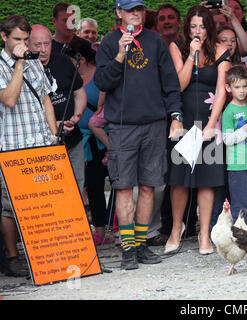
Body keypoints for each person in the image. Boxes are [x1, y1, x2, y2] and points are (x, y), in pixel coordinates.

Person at [94, 0, 183, 270]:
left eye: (140, 9)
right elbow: (102, 82)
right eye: (131, 10)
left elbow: (170, 83)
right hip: (123, 126)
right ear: (119, 13)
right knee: (123, 187)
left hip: (154, 123)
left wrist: (175, 117)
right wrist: (121, 54)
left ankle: (141, 243)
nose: (136, 14)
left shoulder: (155, 41)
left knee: (148, 185)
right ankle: (128, 249)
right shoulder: (109, 43)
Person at [166, 5, 231, 255]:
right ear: (187, 27)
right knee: (179, 180)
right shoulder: (177, 47)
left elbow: (222, 90)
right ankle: (176, 228)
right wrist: (191, 56)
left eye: (202, 27)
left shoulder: (221, 51)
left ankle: (204, 234)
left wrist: (212, 125)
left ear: (209, 28)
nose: (198, 31)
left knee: (206, 180)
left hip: (208, 119)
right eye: (193, 26)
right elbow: (178, 85)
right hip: (181, 119)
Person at [0, 15, 58, 277]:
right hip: (13, 146)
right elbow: (9, 99)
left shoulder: (34, 62)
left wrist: (54, 136)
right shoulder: (4, 65)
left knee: (45, 200)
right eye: (17, 39)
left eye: (25, 39)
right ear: (4, 37)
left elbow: (46, 99)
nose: (23, 44)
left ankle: (44, 253)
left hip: (41, 143)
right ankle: (13, 257)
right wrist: (20, 62)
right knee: (9, 205)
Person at [63, 37, 113, 244]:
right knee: (93, 186)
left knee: (118, 181)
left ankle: (117, 227)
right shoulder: (69, 76)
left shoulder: (99, 74)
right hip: (82, 140)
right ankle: (100, 230)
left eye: (69, 59)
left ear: (80, 59)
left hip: (104, 136)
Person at [29, 24, 87, 195]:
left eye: (47, 44)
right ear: (28, 44)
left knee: (76, 186)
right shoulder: (24, 68)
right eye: (37, 45)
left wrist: (77, 115)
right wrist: (53, 125)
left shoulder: (62, 61)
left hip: (72, 138)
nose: (43, 49)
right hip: (43, 143)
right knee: (51, 191)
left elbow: (79, 92)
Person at [222, 65, 247, 229]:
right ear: (228, 88)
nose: (242, 91)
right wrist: (246, 128)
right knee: (240, 203)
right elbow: (227, 139)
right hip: (237, 165)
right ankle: (240, 233)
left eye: (245, 86)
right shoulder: (229, 111)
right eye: (237, 87)